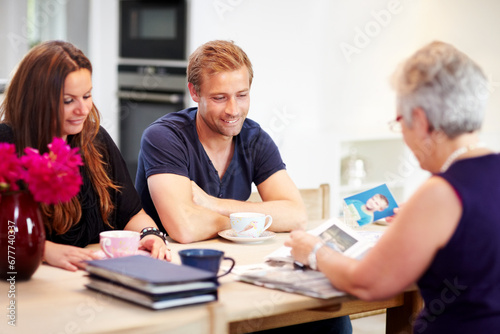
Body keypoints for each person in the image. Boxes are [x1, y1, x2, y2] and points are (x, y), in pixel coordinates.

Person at [285, 41, 500, 333]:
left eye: (400, 121)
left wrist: (314, 251)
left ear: (422, 122)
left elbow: (367, 282)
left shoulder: (441, 193)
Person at [0, 40, 171, 272]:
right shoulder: (6, 145)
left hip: (88, 275)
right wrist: (44, 250)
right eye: (68, 101)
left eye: (87, 96)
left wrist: (150, 234)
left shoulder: (95, 139)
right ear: (36, 101)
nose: (83, 110)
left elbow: (131, 213)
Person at [136, 40, 307, 244]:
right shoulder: (164, 137)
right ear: (194, 92)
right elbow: (184, 229)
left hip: (232, 256)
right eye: (220, 98)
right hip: (166, 261)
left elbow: (296, 215)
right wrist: (243, 224)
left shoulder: (254, 139)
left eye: (242, 95)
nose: (233, 110)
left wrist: (213, 204)